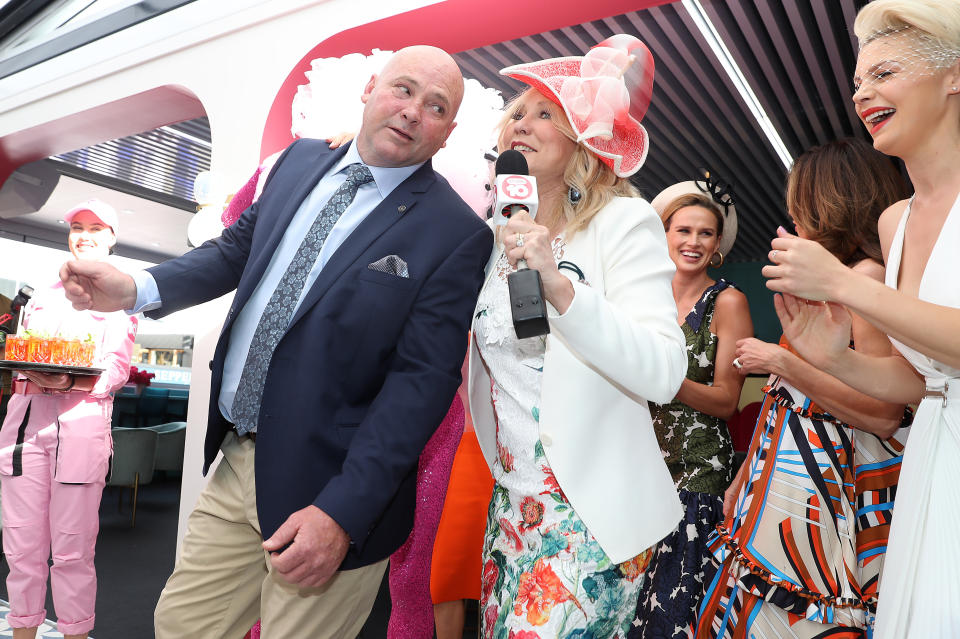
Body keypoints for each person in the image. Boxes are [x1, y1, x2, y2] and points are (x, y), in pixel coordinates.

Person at [60, 46, 493, 639]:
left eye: (436, 106)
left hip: (331, 486)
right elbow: (235, 250)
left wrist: (342, 512)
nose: (413, 110)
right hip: (239, 458)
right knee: (182, 625)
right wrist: (136, 286)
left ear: (448, 132)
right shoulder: (298, 163)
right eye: (404, 89)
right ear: (370, 89)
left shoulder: (455, 233)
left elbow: (419, 389)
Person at [468, 35, 688, 638]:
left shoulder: (623, 221)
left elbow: (666, 371)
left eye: (546, 114)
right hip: (510, 504)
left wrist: (561, 289)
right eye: (518, 111)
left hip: (589, 513)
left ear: (583, 142)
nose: (523, 123)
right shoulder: (492, 236)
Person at [764, 3, 960, 635]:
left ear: (954, 76)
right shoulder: (893, 222)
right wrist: (834, 359)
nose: (862, 94)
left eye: (884, 73)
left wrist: (848, 286)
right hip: (936, 452)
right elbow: (920, 382)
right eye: (857, 83)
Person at [697, 138, 911, 638]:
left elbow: (883, 414)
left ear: (830, 201)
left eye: (800, 201)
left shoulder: (866, 276)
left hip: (829, 498)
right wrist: (745, 475)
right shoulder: (826, 282)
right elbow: (782, 403)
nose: (793, 214)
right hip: (785, 491)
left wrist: (779, 361)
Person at [0, 199, 137, 639]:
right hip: (23, 433)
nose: (84, 234)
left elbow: (117, 368)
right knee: (21, 548)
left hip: (80, 434)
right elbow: (24, 355)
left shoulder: (121, 298)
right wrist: (27, 367)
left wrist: (69, 382)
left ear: (112, 237)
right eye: (77, 226)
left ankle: (75, 633)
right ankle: (22, 632)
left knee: (73, 552)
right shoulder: (41, 296)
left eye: (95, 228)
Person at [629, 181, 753, 639]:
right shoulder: (642, 298)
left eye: (706, 234)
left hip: (697, 475)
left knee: (675, 614)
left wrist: (662, 375)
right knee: (629, 607)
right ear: (662, 236)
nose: (693, 242)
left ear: (718, 245)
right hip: (639, 468)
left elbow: (726, 401)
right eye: (683, 230)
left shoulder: (728, 301)